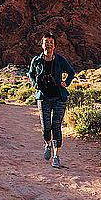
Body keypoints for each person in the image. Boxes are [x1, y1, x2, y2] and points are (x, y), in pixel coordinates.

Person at [28, 32, 75, 168]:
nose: (48, 44)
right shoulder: (36, 60)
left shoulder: (60, 60)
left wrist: (66, 82)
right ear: (42, 44)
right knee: (45, 127)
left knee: (56, 127)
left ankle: (56, 156)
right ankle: (48, 144)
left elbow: (71, 72)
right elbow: (31, 73)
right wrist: (34, 83)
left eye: (51, 42)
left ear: (54, 46)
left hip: (59, 97)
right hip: (43, 97)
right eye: (46, 42)